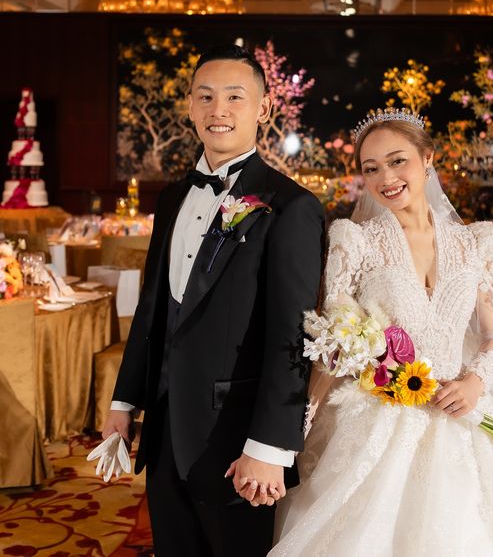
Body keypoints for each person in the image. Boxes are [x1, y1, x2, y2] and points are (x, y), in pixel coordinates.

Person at [270, 108, 493, 556]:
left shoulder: (477, 242)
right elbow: (336, 344)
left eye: (398, 161)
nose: (386, 178)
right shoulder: (355, 240)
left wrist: (475, 383)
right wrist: (291, 432)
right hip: (379, 418)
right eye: (371, 168)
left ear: (427, 159)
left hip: (462, 410)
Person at [102, 44, 325, 556]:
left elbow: (293, 337)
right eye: (205, 96)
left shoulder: (291, 207)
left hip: (238, 442)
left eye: (234, 97)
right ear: (189, 107)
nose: (217, 109)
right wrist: (124, 402)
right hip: (164, 431)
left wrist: (271, 446)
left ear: (263, 108)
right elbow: (154, 309)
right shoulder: (171, 199)